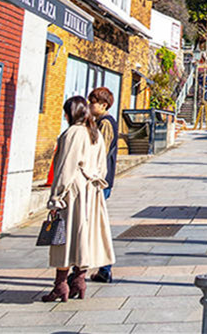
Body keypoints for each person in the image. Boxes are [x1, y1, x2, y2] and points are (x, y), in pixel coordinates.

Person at [42, 96, 115, 302]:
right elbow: (102, 167)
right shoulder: (95, 133)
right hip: (92, 191)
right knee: (84, 238)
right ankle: (79, 281)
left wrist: (56, 198)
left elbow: (65, 167)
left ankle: (61, 285)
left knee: (64, 238)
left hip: (74, 192)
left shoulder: (73, 133)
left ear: (70, 113)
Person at [87, 87, 118, 283]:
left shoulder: (105, 123)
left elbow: (100, 152)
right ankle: (101, 268)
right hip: (101, 179)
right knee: (94, 223)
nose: (90, 106)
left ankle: (104, 268)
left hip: (100, 180)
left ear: (103, 105)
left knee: (95, 224)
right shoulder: (99, 122)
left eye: (93, 103)